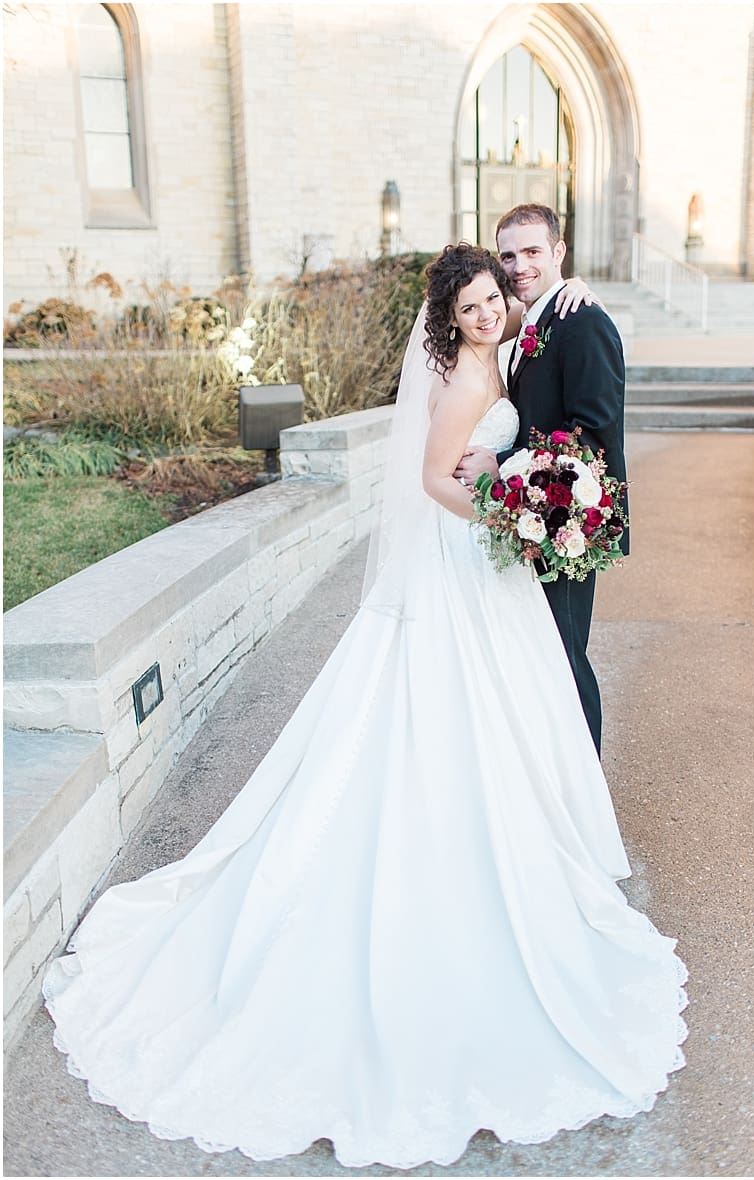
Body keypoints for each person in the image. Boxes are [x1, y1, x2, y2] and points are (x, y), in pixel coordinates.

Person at [42, 244, 686, 1169]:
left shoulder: (514, 344)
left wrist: (551, 340)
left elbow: (543, 360)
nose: (485, 314)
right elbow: (434, 480)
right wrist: (513, 510)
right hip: (467, 561)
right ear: (447, 316)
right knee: (448, 718)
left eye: (492, 299)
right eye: (468, 305)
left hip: (488, 566)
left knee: (516, 712)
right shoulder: (464, 377)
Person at [456, 204, 626, 754]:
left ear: (559, 251)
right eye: (508, 254)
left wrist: (500, 463)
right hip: (537, 518)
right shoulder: (533, 318)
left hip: (571, 518)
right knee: (540, 655)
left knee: (563, 654)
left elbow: (591, 437)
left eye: (533, 251)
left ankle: (585, 793)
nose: (518, 265)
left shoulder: (584, 323)